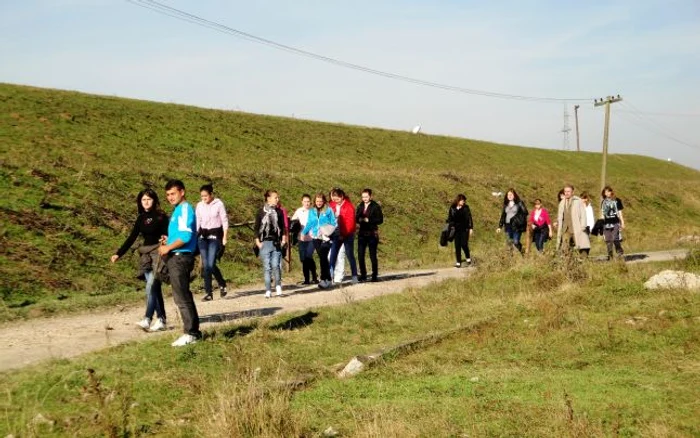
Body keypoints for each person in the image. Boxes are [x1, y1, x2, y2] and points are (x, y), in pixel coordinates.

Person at [110, 188, 169, 332]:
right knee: (153, 289)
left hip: (159, 253)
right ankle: (161, 319)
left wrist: (166, 239)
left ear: (154, 200)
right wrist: (119, 253)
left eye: (149, 199)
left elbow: (169, 232)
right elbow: (132, 237)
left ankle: (148, 318)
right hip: (146, 255)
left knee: (151, 285)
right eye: (143, 199)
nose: (146, 202)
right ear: (140, 202)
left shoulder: (161, 216)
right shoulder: (141, 218)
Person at [159, 179, 201, 347]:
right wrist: (168, 239)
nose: (170, 197)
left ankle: (191, 333)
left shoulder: (184, 209)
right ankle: (193, 332)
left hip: (180, 257)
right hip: (177, 255)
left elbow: (185, 237)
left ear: (182, 192)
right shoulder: (178, 210)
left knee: (181, 296)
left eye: (173, 193)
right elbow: (181, 234)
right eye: (168, 195)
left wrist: (168, 246)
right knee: (182, 294)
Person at [195, 184, 228, 302]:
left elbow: (224, 220)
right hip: (203, 237)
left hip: (215, 236)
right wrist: (196, 235)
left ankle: (222, 283)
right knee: (206, 265)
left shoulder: (219, 204)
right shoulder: (199, 206)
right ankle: (208, 292)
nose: (204, 198)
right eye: (202, 196)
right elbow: (198, 221)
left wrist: (225, 237)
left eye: (206, 196)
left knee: (210, 264)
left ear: (211, 194)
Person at [254, 190, 287, 298]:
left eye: (278, 197)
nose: (277, 199)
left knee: (276, 266)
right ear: (268, 198)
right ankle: (268, 290)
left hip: (276, 243)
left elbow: (282, 228)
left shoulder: (279, 212)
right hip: (264, 243)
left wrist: (283, 240)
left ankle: (278, 287)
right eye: (275, 197)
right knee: (267, 267)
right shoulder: (260, 212)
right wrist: (258, 242)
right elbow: (256, 228)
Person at [302, 192, 338, 289]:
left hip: (326, 237)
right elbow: (309, 223)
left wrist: (329, 232)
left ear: (324, 201)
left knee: (323, 257)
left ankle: (323, 279)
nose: (319, 203)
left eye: (321, 201)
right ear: (315, 201)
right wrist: (303, 232)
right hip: (316, 237)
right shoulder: (312, 211)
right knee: (323, 258)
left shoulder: (328, 210)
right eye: (317, 201)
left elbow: (334, 223)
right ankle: (329, 279)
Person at [329, 187, 359, 283]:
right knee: (333, 255)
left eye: (337, 199)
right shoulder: (332, 205)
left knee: (349, 254)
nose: (336, 201)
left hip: (347, 234)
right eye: (334, 199)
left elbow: (350, 224)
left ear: (342, 197)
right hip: (336, 234)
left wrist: (343, 234)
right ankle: (330, 276)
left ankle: (354, 276)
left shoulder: (349, 207)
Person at [355, 188, 384, 282]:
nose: (364, 198)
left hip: (372, 234)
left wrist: (369, 220)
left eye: (366, 197)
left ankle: (374, 274)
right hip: (362, 234)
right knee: (360, 255)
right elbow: (356, 217)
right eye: (363, 197)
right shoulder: (360, 205)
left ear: (370, 196)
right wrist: (358, 220)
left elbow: (380, 220)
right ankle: (363, 274)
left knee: (372, 255)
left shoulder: (375, 206)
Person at [556, 184, 591, 256]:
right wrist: (558, 223)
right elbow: (560, 216)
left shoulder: (578, 201)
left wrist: (583, 225)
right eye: (565, 191)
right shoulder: (562, 203)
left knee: (582, 246)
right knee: (564, 247)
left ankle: (584, 261)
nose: (566, 193)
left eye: (568, 191)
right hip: (565, 229)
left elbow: (583, 214)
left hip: (577, 227)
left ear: (572, 192)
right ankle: (567, 263)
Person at [291, 194, 318, 284]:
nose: (306, 203)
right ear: (302, 202)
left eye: (308, 201)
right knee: (303, 259)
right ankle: (307, 279)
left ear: (310, 202)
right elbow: (293, 222)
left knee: (308, 257)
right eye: (305, 201)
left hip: (311, 238)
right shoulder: (299, 211)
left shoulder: (314, 211)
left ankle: (314, 276)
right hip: (301, 238)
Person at [496, 189, 528, 254]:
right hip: (508, 226)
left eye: (511, 194)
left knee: (516, 242)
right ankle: (510, 258)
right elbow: (503, 215)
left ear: (514, 195)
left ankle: (522, 250)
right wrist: (500, 226)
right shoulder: (506, 204)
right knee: (509, 242)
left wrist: (517, 218)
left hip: (517, 226)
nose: (509, 196)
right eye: (508, 195)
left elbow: (525, 212)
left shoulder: (519, 203)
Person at [447, 194, 473, 267]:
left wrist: (471, 228)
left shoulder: (466, 208)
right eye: (462, 200)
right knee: (457, 245)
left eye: (464, 200)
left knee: (464, 244)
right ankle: (458, 262)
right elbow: (449, 218)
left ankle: (468, 257)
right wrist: (451, 225)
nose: (463, 202)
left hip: (465, 229)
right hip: (456, 229)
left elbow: (470, 218)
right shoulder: (452, 208)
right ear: (458, 200)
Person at [601, 185, 625, 260]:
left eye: (608, 191)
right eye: (605, 192)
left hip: (615, 222)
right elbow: (602, 214)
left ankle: (619, 251)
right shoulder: (603, 202)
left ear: (611, 192)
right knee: (608, 240)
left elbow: (620, 213)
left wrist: (623, 223)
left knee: (615, 238)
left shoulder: (617, 200)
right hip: (606, 223)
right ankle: (610, 255)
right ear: (604, 193)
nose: (607, 193)